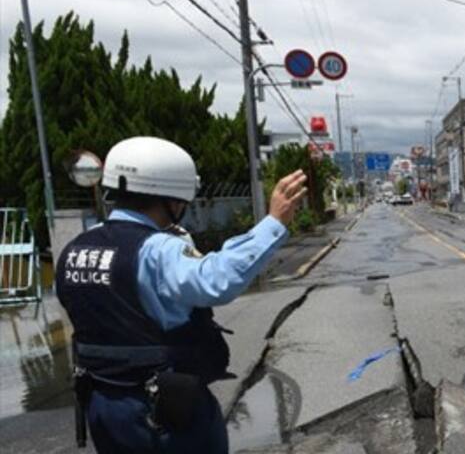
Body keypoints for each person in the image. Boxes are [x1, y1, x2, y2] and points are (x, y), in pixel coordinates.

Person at [55, 136, 307, 454]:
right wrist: (273, 223)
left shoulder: (76, 248)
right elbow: (216, 279)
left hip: (103, 406)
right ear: (171, 200)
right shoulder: (158, 250)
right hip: (163, 409)